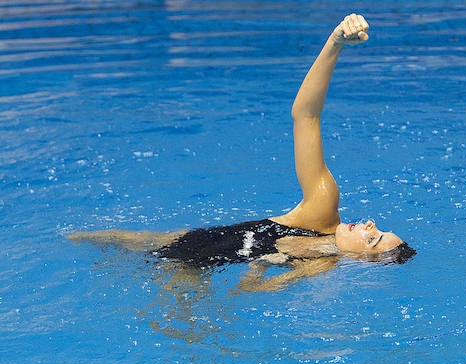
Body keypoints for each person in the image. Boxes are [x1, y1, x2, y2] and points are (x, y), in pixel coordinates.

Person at [69, 14, 415, 289]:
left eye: (373, 239)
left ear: (358, 260)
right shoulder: (321, 208)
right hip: (192, 239)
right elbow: (305, 116)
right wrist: (335, 41)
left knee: (189, 341)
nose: (370, 224)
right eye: (378, 227)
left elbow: (250, 290)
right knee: (83, 240)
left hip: (194, 273)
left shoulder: (319, 268)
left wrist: (265, 267)